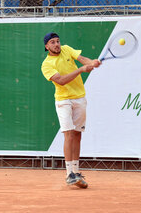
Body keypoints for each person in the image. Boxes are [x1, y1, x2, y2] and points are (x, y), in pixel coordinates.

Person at [41, 32, 101, 188]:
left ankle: (76, 171)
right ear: (47, 46)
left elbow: (82, 59)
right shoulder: (46, 64)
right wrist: (81, 70)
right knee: (68, 134)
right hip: (63, 101)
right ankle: (69, 174)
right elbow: (61, 81)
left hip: (79, 97)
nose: (57, 44)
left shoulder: (67, 49)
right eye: (52, 42)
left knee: (77, 134)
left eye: (58, 41)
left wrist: (92, 62)